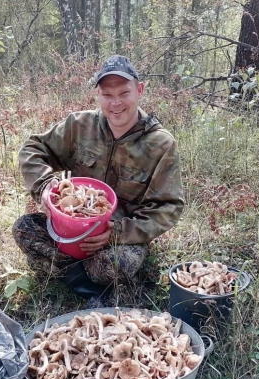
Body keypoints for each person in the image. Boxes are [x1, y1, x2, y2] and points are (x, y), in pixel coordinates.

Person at [12, 55, 184, 304]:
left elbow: (169, 207)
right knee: (23, 229)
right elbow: (33, 148)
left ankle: (73, 273)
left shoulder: (160, 144)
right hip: (70, 227)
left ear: (140, 90)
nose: (116, 103)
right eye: (107, 95)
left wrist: (119, 233)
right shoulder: (80, 126)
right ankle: (83, 277)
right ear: (98, 95)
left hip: (119, 236)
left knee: (115, 265)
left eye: (124, 93)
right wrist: (45, 186)